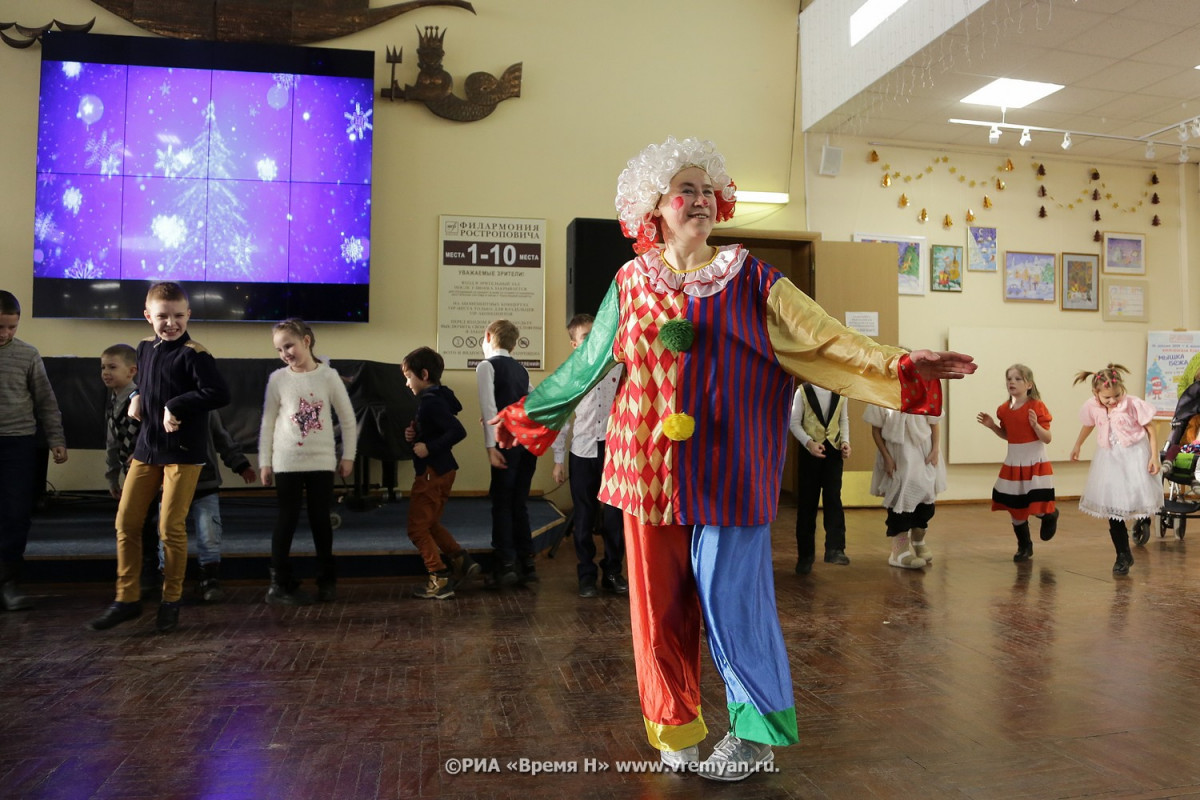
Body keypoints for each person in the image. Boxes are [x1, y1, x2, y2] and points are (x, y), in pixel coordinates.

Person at [488, 137, 975, 780]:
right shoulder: (630, 282)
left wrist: (899, 365)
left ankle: (754, 733)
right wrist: (522, 419)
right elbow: (586, 364)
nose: (698, 199)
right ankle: (674, 724)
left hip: (732, 467)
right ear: (654, 208)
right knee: (657, 605)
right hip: (645, 466)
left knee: (731, 597)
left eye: (705, 189)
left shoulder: (753, 278)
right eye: (681, 190)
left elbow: (828, 339)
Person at [87, 282, 230, 634]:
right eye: (163, 316)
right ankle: (127, 598)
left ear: (188, 315)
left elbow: (217, 393)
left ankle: (171, 599)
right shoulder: (144, 349)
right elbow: (149, 383)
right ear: (148, 316)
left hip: (183, 454)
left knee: (170, 528)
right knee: (126, 522)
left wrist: (175, 404)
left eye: (178, 316)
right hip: (147, 449)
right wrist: (136, 395)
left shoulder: (196, 353)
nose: (171, 323)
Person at [259, 318, 356, 605]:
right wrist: (265, 462)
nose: (284, 353)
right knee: (286, 518)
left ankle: (326, 579)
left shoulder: (328, 376)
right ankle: (278, 582)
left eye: (288, 345)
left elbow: (348, 419)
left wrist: (347, 455)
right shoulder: (278, 379)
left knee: (320, 520)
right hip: (287, 461)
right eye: (279, 349)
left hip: (321, 461)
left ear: (306, 341)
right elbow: (267, 422)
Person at [0, 290, 67, 611]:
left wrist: (56, 439)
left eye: (11, 327)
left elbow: (45, 401)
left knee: (15, 514)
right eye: (0, 327)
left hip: (18, 442)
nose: (5, 334)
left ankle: (8, 581)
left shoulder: (27, 355)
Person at [552, 313, 626, 598]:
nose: (592, 339)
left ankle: (612, 571)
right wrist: (559, 460)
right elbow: (562, 419)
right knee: (583, 517)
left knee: (614, 517)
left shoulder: (616, 367)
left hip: (613, 449)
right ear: (574, 343)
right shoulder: (570, 374)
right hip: (582, 451)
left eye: (595, 333)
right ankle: (586, 574)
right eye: (585, 336)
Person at [401, 346, 478, 600]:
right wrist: (416, 434)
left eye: (409, 376)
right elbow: (437, 428)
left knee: (416, 529)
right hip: (444, 470)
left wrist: (428, 447)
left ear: (423, 374)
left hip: (432, 473)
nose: (406, 383)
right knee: (430, 523)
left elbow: (457, 431)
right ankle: (461, 561)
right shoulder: (438, 397)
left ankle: (440, 577)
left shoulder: (431, 402)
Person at [1069, 364, 1161, 575]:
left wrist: (1154, 456)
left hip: (1135, 456)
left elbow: (1150, 428)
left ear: (1122, 389)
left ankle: (1143, 519)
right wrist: (1077, 445)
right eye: (1107, 398)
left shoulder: (1132, 404)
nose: (1113, 401)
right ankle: (1122, 554)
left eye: (1116, 395)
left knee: (1138, 496)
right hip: (1110, 458)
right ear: (1096, 394)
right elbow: (1089, 425)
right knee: (1113, 506)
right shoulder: (1093, 406)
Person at [475, 319, 538, 587]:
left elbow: (490, 408)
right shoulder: (522, 371)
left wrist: (491, 447)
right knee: (519, 503)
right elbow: (532, 403)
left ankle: (505, 566)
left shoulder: (486, 366)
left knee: (501, 503)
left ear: (488, 336)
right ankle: (527, 563)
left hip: (505, 444)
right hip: (526, 446)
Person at [976, 364, 1057, 562]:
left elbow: (1047, 438)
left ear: (1029, 384)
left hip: (1035, 463)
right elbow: (1008, 435)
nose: (1012, 382)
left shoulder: (1037, 406)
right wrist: (993, 426)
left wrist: (1036, 425)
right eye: (1009, 378)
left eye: (1018, 379)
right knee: (1015, 507)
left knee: (1035, 504)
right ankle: (1024, 546)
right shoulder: (1004, 409)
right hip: (1014, 463)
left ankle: (1049, 515)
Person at [101, 343, 162, 598]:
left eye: (112, 367)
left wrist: (140, 456)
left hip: (146, 469)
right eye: (103, 367)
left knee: (149, 521)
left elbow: (151, 432)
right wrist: (112, 474)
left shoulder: (138, 397)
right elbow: (112, 441)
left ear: (132, 371)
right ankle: (136, 571)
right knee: (133, 522)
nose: (105, 372)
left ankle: (152, 571)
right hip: (128, 471)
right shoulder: (112, 399)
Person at [864, 404, 945, 568]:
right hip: (897, 454)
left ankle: (918, 540)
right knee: (899, 498)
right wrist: (886, 457)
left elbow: (934, 422)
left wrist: (935, 449)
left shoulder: (926, 388)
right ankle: (898, 551)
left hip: (923, 451)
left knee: (926, 497)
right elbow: (876, 430)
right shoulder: (882, 391)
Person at [188, 412, 256, 602]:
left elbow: (221, 437)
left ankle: (210, 579)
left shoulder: (205, 404)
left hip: (204, 480)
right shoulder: (158, 397)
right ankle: (167, 581)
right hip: (168, 482)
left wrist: (240, 464)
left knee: (209, 533)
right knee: (166, 536)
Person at [788, 382, 851, 574]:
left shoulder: (840, 391)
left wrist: (846, 442)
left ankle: (835, 548)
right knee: (807, 503)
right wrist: (809, 443)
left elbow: (843, 419)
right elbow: (794, 422)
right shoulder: (803, 392)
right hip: (810, 452)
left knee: (833, 498)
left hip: (833, 451)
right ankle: (805, 556)